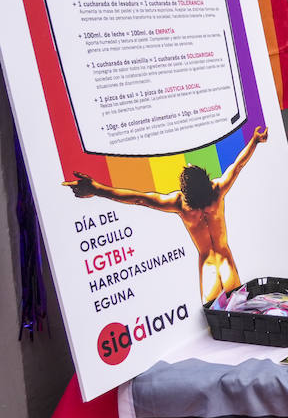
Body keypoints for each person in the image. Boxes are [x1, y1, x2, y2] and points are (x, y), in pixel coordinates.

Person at [64, 126, 268, 301]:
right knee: (238, 310)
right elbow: (238, 165)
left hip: (208, 264)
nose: (187, 164)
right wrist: (254, 141)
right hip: (224, 258)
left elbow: (138, 198)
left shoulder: (180, 203)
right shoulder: (217, 190)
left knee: (216, 315)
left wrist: (97, 189)